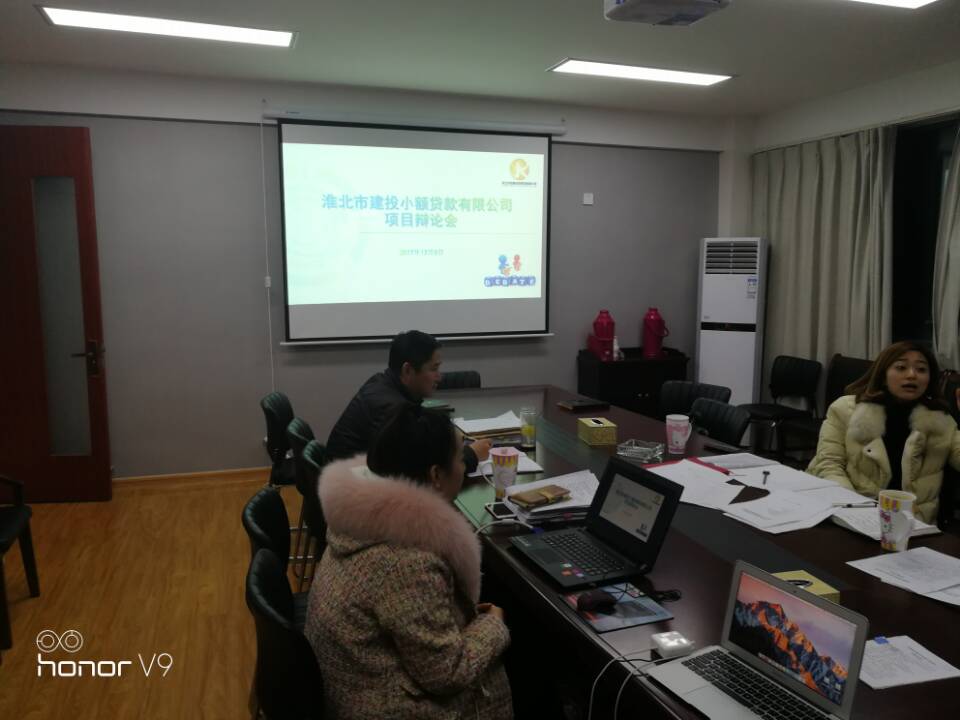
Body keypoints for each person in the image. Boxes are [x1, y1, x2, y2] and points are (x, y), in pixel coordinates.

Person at [305, 406, 513, 719]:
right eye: (461, 458)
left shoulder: (361, 520)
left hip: (354, 686)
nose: (464, 466)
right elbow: (448, 673)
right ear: (436, 475)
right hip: (385, 707)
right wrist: (494, 625)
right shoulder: (407, 562)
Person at [807, 341, 960, 523]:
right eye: (901, 367)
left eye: (921, 369)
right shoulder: (846, 410)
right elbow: (829, 465)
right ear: (883, 373)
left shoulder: (942, 421)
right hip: (849, 515)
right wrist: (857, 513)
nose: (912, 375)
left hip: (913, 525)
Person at [326, 329, 490, 472]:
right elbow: (420, 469)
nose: (439, 377)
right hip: (352, 487)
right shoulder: (391, 408)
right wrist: (471, 455)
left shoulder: (383, 383)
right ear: (408, 370)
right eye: (434, 368)